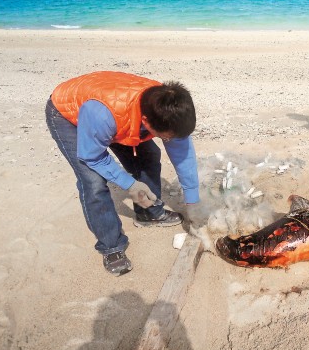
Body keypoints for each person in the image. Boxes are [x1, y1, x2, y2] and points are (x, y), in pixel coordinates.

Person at [45, 71, 199, 276]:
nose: (170, 140)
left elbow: (182, 154)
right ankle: (111, 246)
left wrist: (193, 200)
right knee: (93, 181)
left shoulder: (168, 107)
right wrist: (130, 185)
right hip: (68, 112)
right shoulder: (102, 115)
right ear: (146, 121)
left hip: (117, 112)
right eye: (166, 137)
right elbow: (92, 157)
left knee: (149, 154)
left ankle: (148, 214)